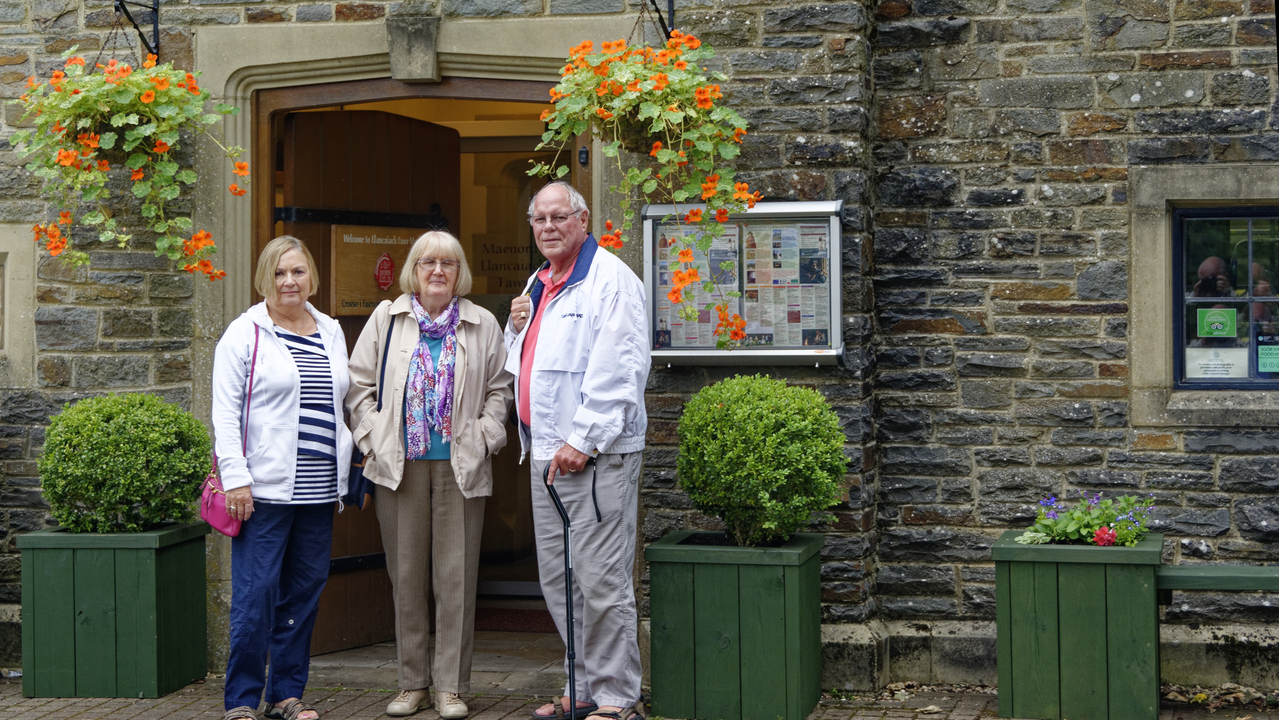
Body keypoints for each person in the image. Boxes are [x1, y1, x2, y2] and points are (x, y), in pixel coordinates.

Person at [346, 231, 513, 719]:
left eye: (448, 263)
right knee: (406, 577)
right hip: (399, 467)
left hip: (461, 467)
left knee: (455, 580)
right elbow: (358, 386)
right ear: (413, 271)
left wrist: (484, 437)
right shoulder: (387, 318)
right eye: (427, 262)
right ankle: (412, 683)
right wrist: (374, 438)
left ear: (460, 272)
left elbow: (501, 390)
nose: (437, 271)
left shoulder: (482, 323)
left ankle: (451, 688)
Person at [506, 181, 650, 720]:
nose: (548, 227)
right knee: (560, 580)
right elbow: (526, 365)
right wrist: (514, 327)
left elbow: (619, 369)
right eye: (539, 219)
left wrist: (582, 440)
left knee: (600, 578)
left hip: (593, 455)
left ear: (583, 221)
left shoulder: (611, 280)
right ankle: (582, 686)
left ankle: (617, 698)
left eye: (559, 217)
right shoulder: (540, 282)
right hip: (547, 452)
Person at [212, 236, 353, 720]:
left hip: (319, 489)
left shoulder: (330, 329)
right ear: (263, 279)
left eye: (297, 271)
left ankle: (286, 695)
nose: (289, 281)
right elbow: (224, 412)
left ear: (311, 275)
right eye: (278, 272)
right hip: (262, 492)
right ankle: (241, 700)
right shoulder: (244, 333)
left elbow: (341, 402)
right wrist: (236, 477)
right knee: (256, 598)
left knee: (303, 595)